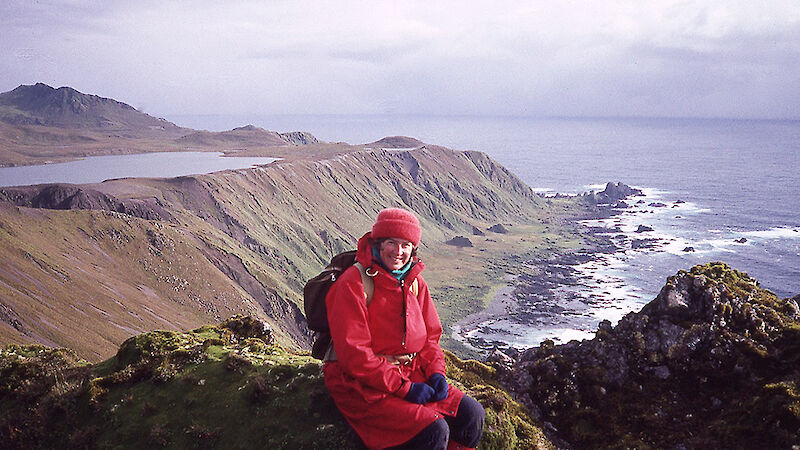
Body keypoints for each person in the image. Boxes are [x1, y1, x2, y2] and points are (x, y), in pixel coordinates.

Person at [323, 208, 485, 450]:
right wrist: (403, 388)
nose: (398, 252)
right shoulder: (353, 284)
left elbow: (430, 339)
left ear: (413, 248)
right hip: (359, 383)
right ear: (378, 243)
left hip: (411, 373)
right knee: (432, 430)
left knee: (472, 415)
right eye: (391, 242)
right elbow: (355, 356)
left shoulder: (415, 282)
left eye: (406, 244)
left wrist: (436, 373)